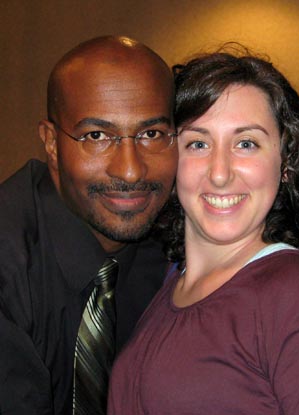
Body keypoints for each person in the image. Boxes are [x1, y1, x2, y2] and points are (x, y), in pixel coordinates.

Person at [108, 47, 299, 414]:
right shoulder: (163, 288)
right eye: (198, 143)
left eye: (246, 143)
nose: (220, 172)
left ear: (286, 163)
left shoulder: (294, 295)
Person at [0, 35, 178, 415]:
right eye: (96, 136)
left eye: (151, 134)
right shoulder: (8, 266)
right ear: (51, 143)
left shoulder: (181, 248)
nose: (130, 170)